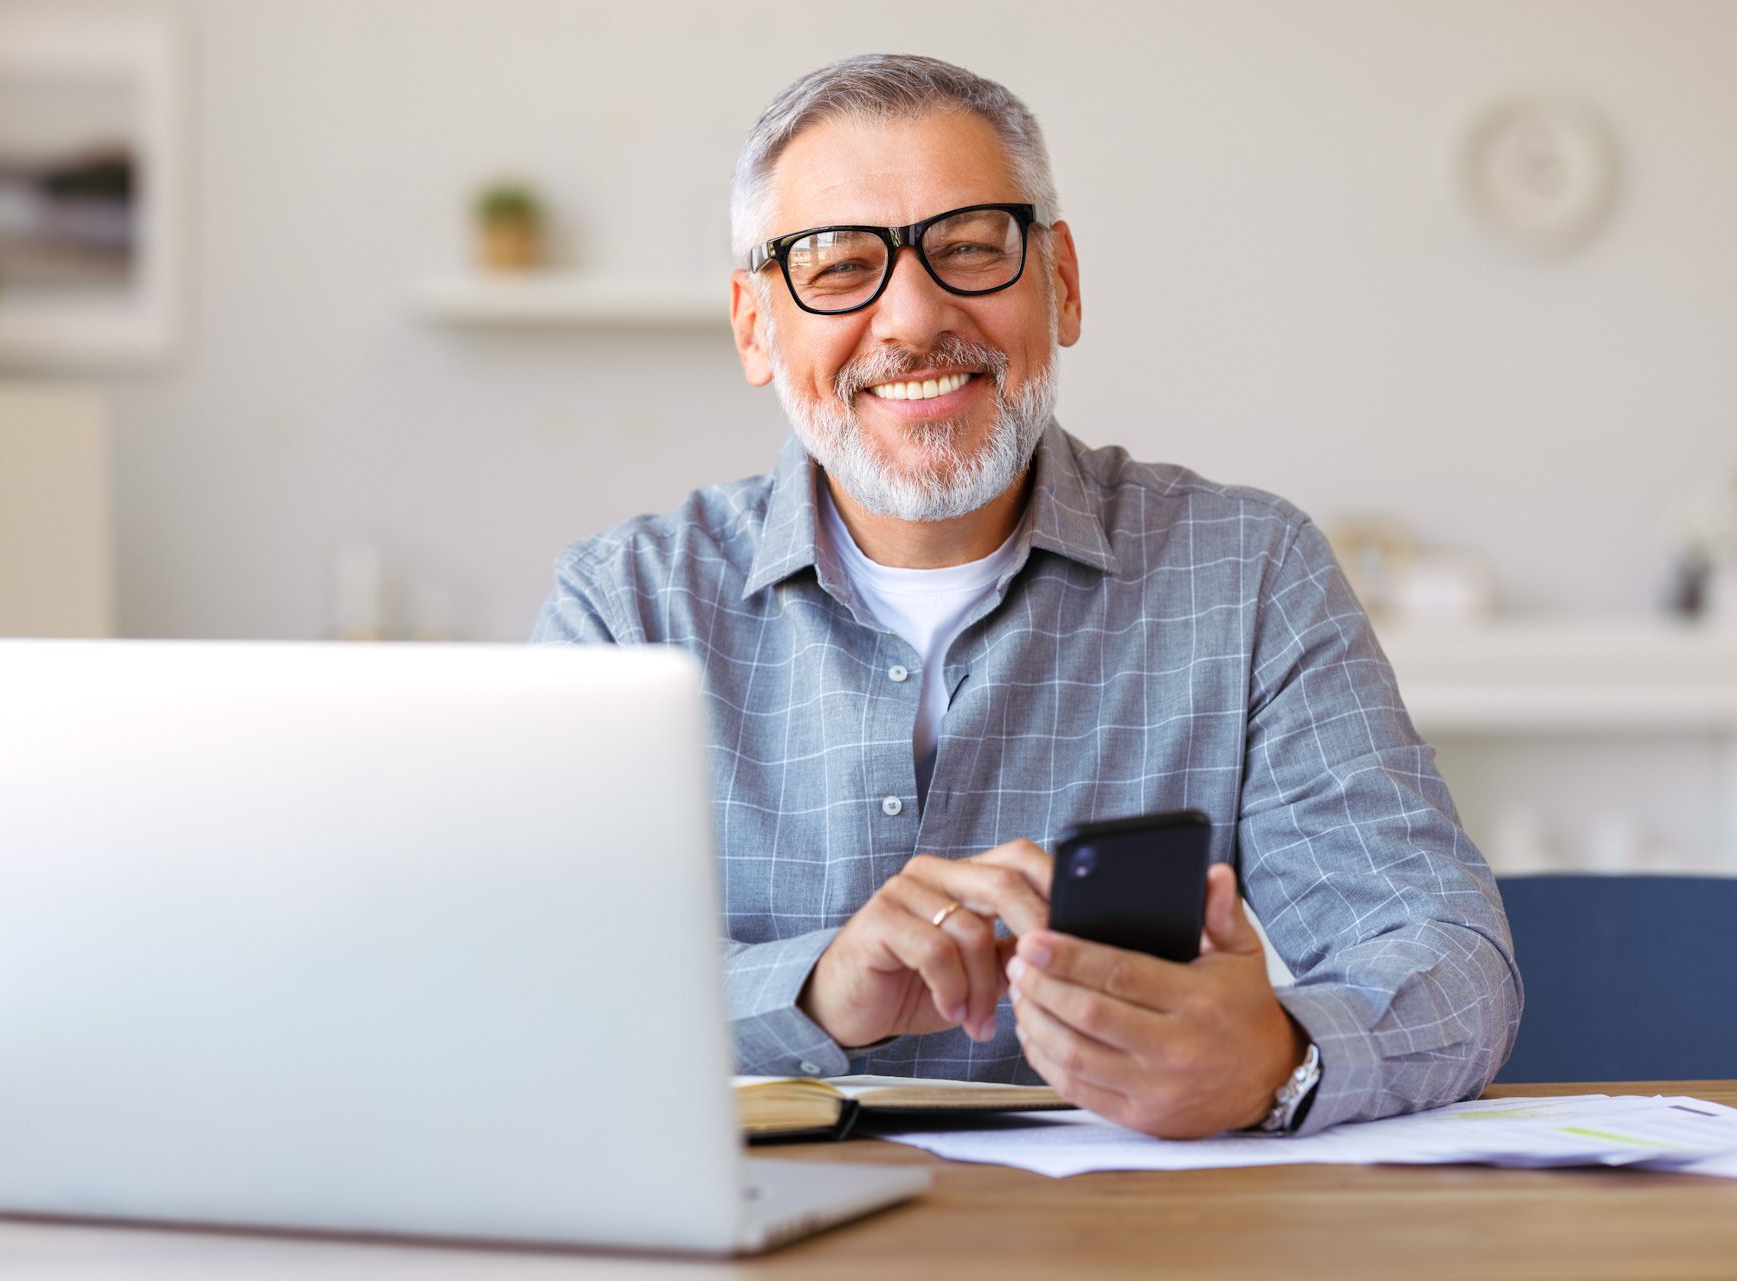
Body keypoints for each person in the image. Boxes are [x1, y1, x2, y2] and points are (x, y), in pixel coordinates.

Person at [533, 53, 1520, 1138]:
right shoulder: (623, 608)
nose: (912, 318)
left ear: (1064, 285)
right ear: (755, 326)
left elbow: (1445, 954)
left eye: (967, 248)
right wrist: (810, 990)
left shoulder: (1248, 572)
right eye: (836, 264)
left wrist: (1279, 1059)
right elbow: (526, 976)